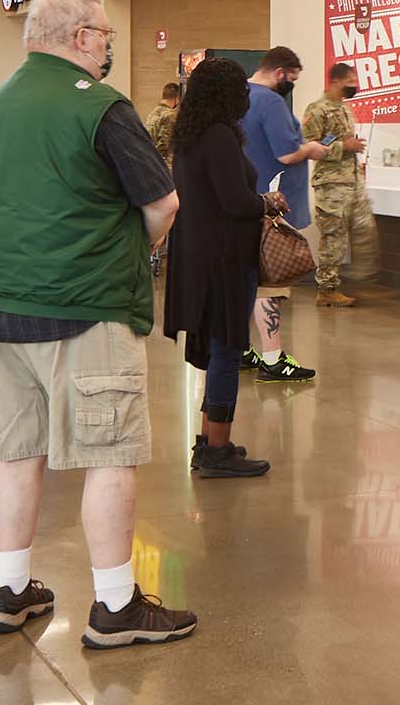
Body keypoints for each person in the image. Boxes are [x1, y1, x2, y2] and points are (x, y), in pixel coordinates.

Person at [0, 0, 193, 650]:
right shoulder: (100, 107)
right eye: (107, 36)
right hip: (81, 302)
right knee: (109, 454)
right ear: (86, 37)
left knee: (15, 453)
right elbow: (162, 204)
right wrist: (133, 250)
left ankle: (10, 589)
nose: (109, 48)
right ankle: (116, 606)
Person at [162, 55, 272, 481]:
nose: (247, 96)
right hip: (226, 259)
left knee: (218, 347)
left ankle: (210, 440)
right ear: (227, 94)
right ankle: (218, 450)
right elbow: (236, 203)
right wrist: (268, 202)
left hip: (198, 254)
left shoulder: (189, 136)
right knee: (228, 347)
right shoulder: (220, 137)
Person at [240, 47, 323, 382]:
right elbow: (287, 154)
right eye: (293, 77)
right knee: (269, 283)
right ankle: (273, 357)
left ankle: (243, 348)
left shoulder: (237, 96)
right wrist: (312, 149)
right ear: (280, 72)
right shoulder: (271, 102)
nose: (292, 84)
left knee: (246, 280)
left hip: (242, 199)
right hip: (272, 206)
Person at [301, 62, 379, 309]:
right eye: (351, 81)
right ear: (336, 81)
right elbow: (308, 146)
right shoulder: (317, 110)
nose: (355, 86)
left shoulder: (345, 108)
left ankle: (363, 281)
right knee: (333, 237)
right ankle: (327, 289)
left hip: (351, 180)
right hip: (330, 184)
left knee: (365, 229)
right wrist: (344, 147)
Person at [146, 80, 182, 160]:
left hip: (151, 158)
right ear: (177, 98)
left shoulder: (153, 112)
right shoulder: (170, 115)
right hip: (163, 163)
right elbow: (163, 145)